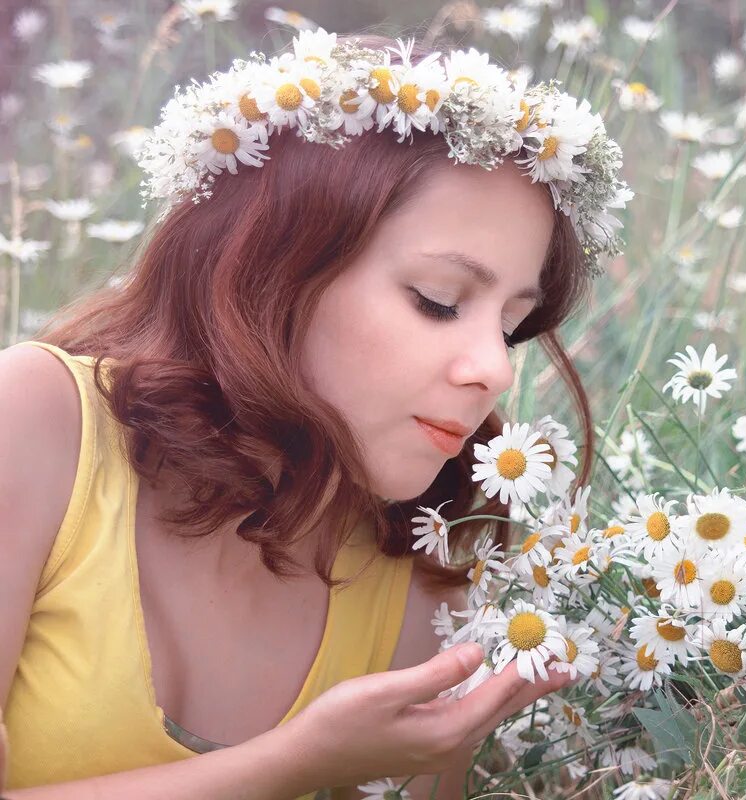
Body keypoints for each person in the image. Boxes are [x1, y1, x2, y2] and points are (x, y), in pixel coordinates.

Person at [0, 28, 631, 799]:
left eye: (510, 327)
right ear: (271, 268)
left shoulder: (422, 571)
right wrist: (292, 764)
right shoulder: (35, 422)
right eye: (439, 302)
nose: (495, 371)